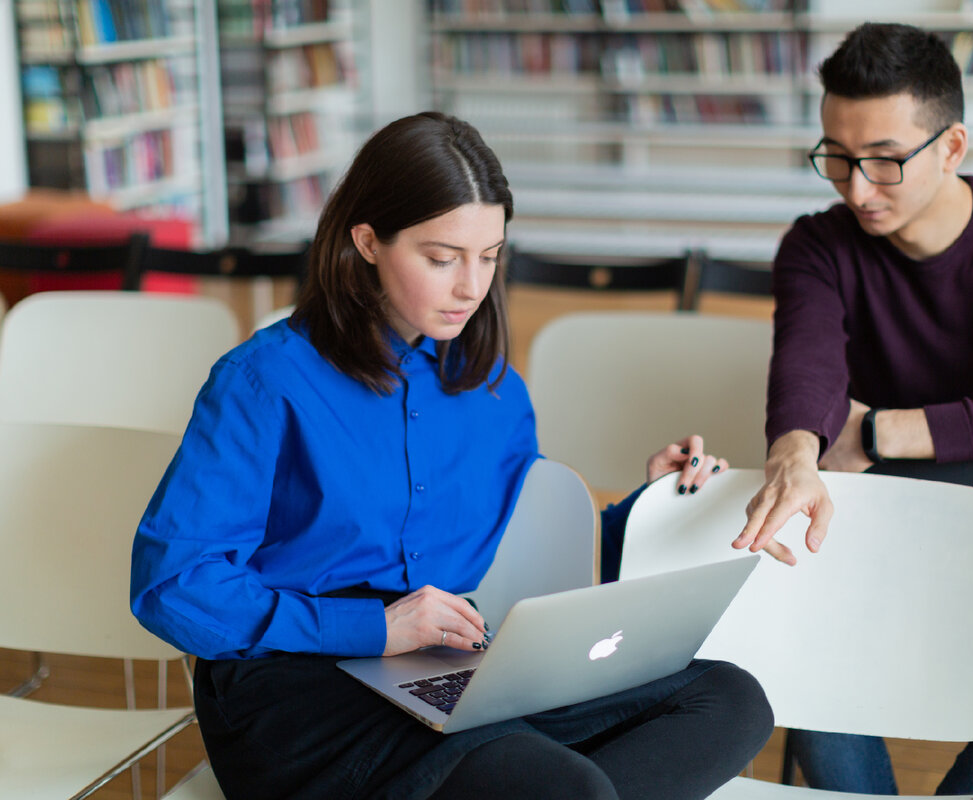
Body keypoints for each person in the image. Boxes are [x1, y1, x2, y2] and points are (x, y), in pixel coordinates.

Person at [130, 112, 772, 800]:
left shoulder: (493, 389)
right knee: (558, 785)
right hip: (298, 684)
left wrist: (653, 508)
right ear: (367, 241)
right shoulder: (263, 382)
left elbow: (536, 549)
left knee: (728, 699)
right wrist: (373, 628)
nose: (472, 285)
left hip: (449, 667)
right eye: (442, 258)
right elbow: (171, 587)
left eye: (490, 256)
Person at [730, 22, 973, 800]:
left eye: (883, 160)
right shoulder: (818, 247)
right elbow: (808, 369)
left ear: (952, 146)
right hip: (878, 517)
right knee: (795, 617)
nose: (856, 186)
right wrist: (795, 454)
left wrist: (878, 428)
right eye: (836, 158)